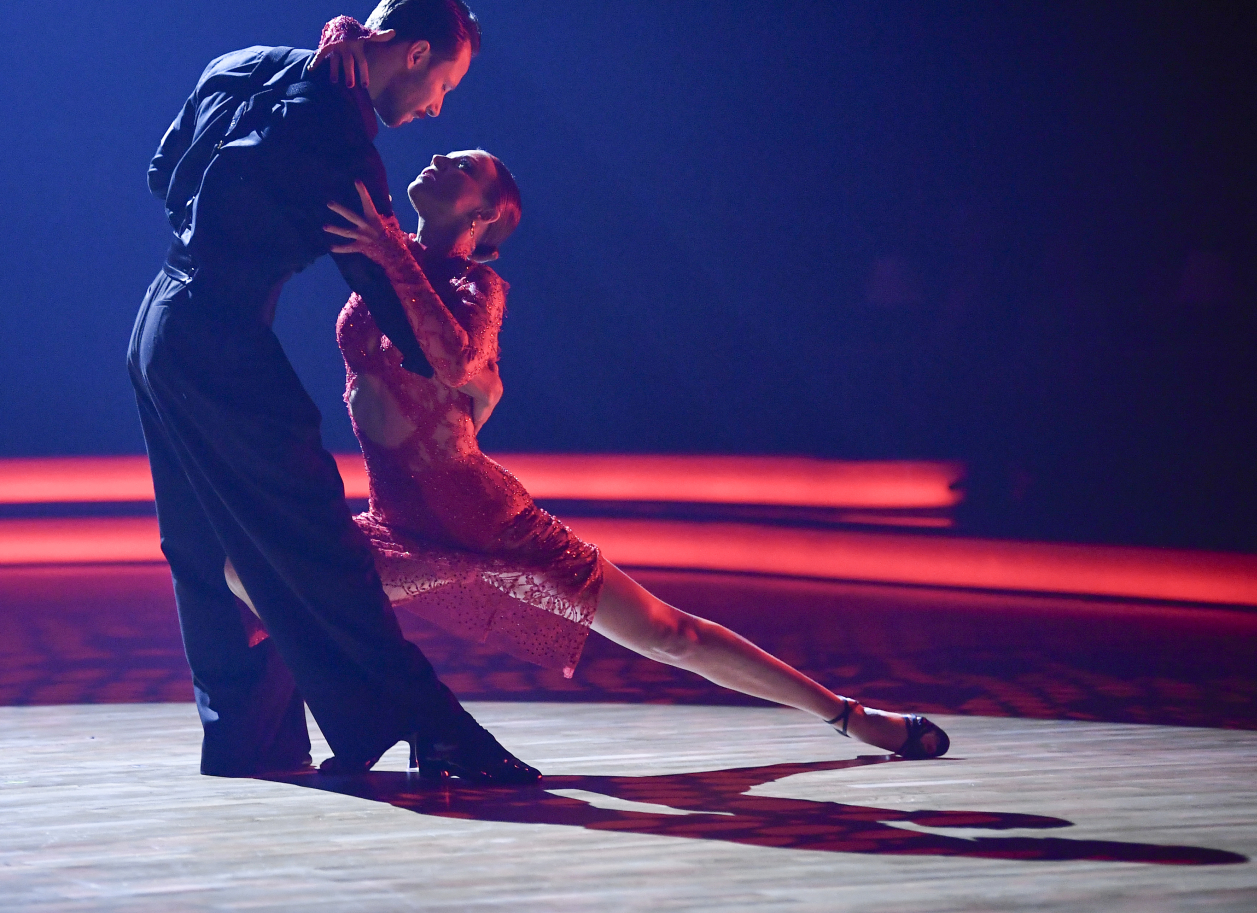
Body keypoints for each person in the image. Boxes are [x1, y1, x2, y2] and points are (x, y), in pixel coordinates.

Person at [223, 53, 951, 758]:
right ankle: (276, 737)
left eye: (464, 166)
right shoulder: (380, 248)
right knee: (242, 573)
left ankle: (853, 716)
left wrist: (396, 264)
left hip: (488, 522)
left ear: (484, 215)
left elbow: (459, 361)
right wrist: (343, 37)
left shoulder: (477, 286)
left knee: (668, 633)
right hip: (401, 526)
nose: (439, 157)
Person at [129, 0, 541, 783]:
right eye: (443, 86)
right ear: (414, 54)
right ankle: (433, 729)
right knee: (320, 544)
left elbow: (160, 175)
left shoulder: (242, 63)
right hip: (220, 344)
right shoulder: (344, 152)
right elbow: (408, 328)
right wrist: (427, 302)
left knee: (201, 544)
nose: (434, 109)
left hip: (158, 327)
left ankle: (250, 741)